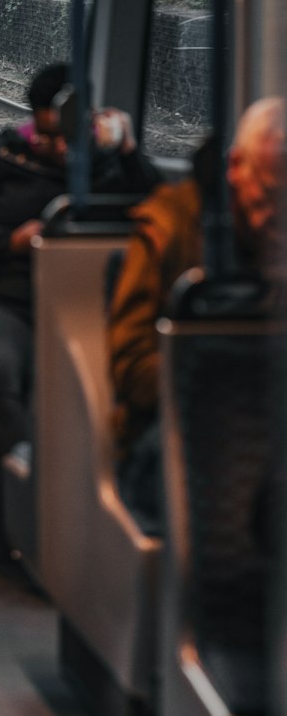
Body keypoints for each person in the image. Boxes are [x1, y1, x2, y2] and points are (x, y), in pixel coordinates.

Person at [0, 62, 158, 564]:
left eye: (69, 138)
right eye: (49, 137)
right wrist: (7, 241)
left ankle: (113, 519)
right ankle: (30, 508)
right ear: (32, 120)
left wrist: (130, 152)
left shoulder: (105, 163)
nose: (60, 150)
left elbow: (159, 209)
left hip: (81, 304)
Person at [110, 96, 285, 532]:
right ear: (235, 169)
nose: (276, 217)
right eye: (267, 195)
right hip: (173, 424)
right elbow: (131, 366)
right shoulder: (166, 228)